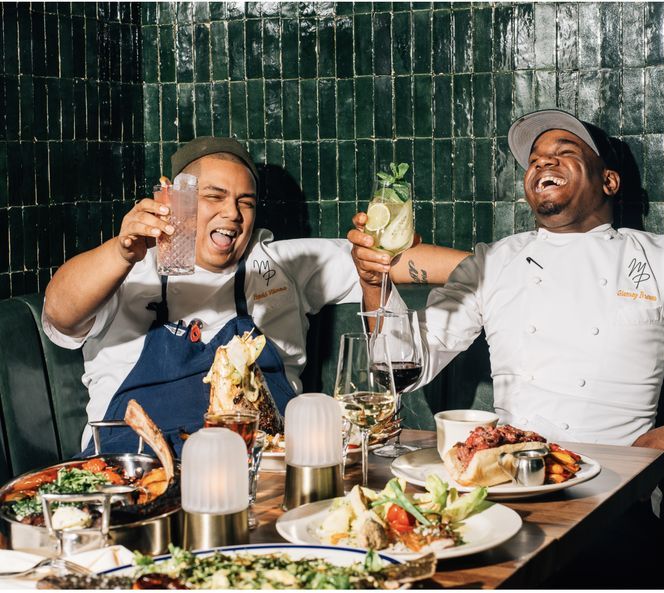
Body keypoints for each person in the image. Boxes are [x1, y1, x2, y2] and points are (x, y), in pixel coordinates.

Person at [349, 109, 664, 469]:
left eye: (564, 153)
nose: (543, 163)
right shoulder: (492, 263)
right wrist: (373, 284)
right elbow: (410, 365)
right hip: (505, 479)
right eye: (534, 161)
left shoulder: (662, 262)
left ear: (608, 181)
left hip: (614, 487)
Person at [42, 137, 469, 455]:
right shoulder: (126, 266)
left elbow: (383, 257)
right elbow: (59, 315)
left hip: (266, 464)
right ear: (174, 196)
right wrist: (122, 250)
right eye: (214, 197)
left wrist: (500, 266)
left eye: (245, 201)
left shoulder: (282, 263)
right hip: (135, 464)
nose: (232, 213)